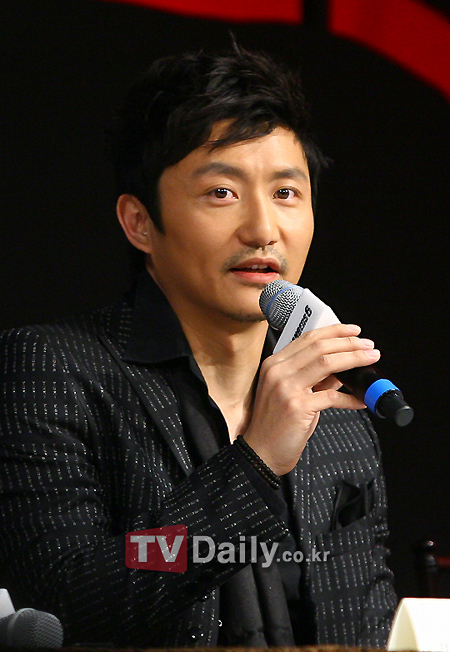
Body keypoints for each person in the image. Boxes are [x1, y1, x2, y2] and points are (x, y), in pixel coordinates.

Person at [0, 44, 397, 647]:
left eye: (286, 193)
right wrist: (255, 463)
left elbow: (369, 626)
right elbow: (66, 601)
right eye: (222, 192)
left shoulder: (335, 412)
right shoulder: (54, 369)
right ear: (139, 222)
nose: (263, 229)